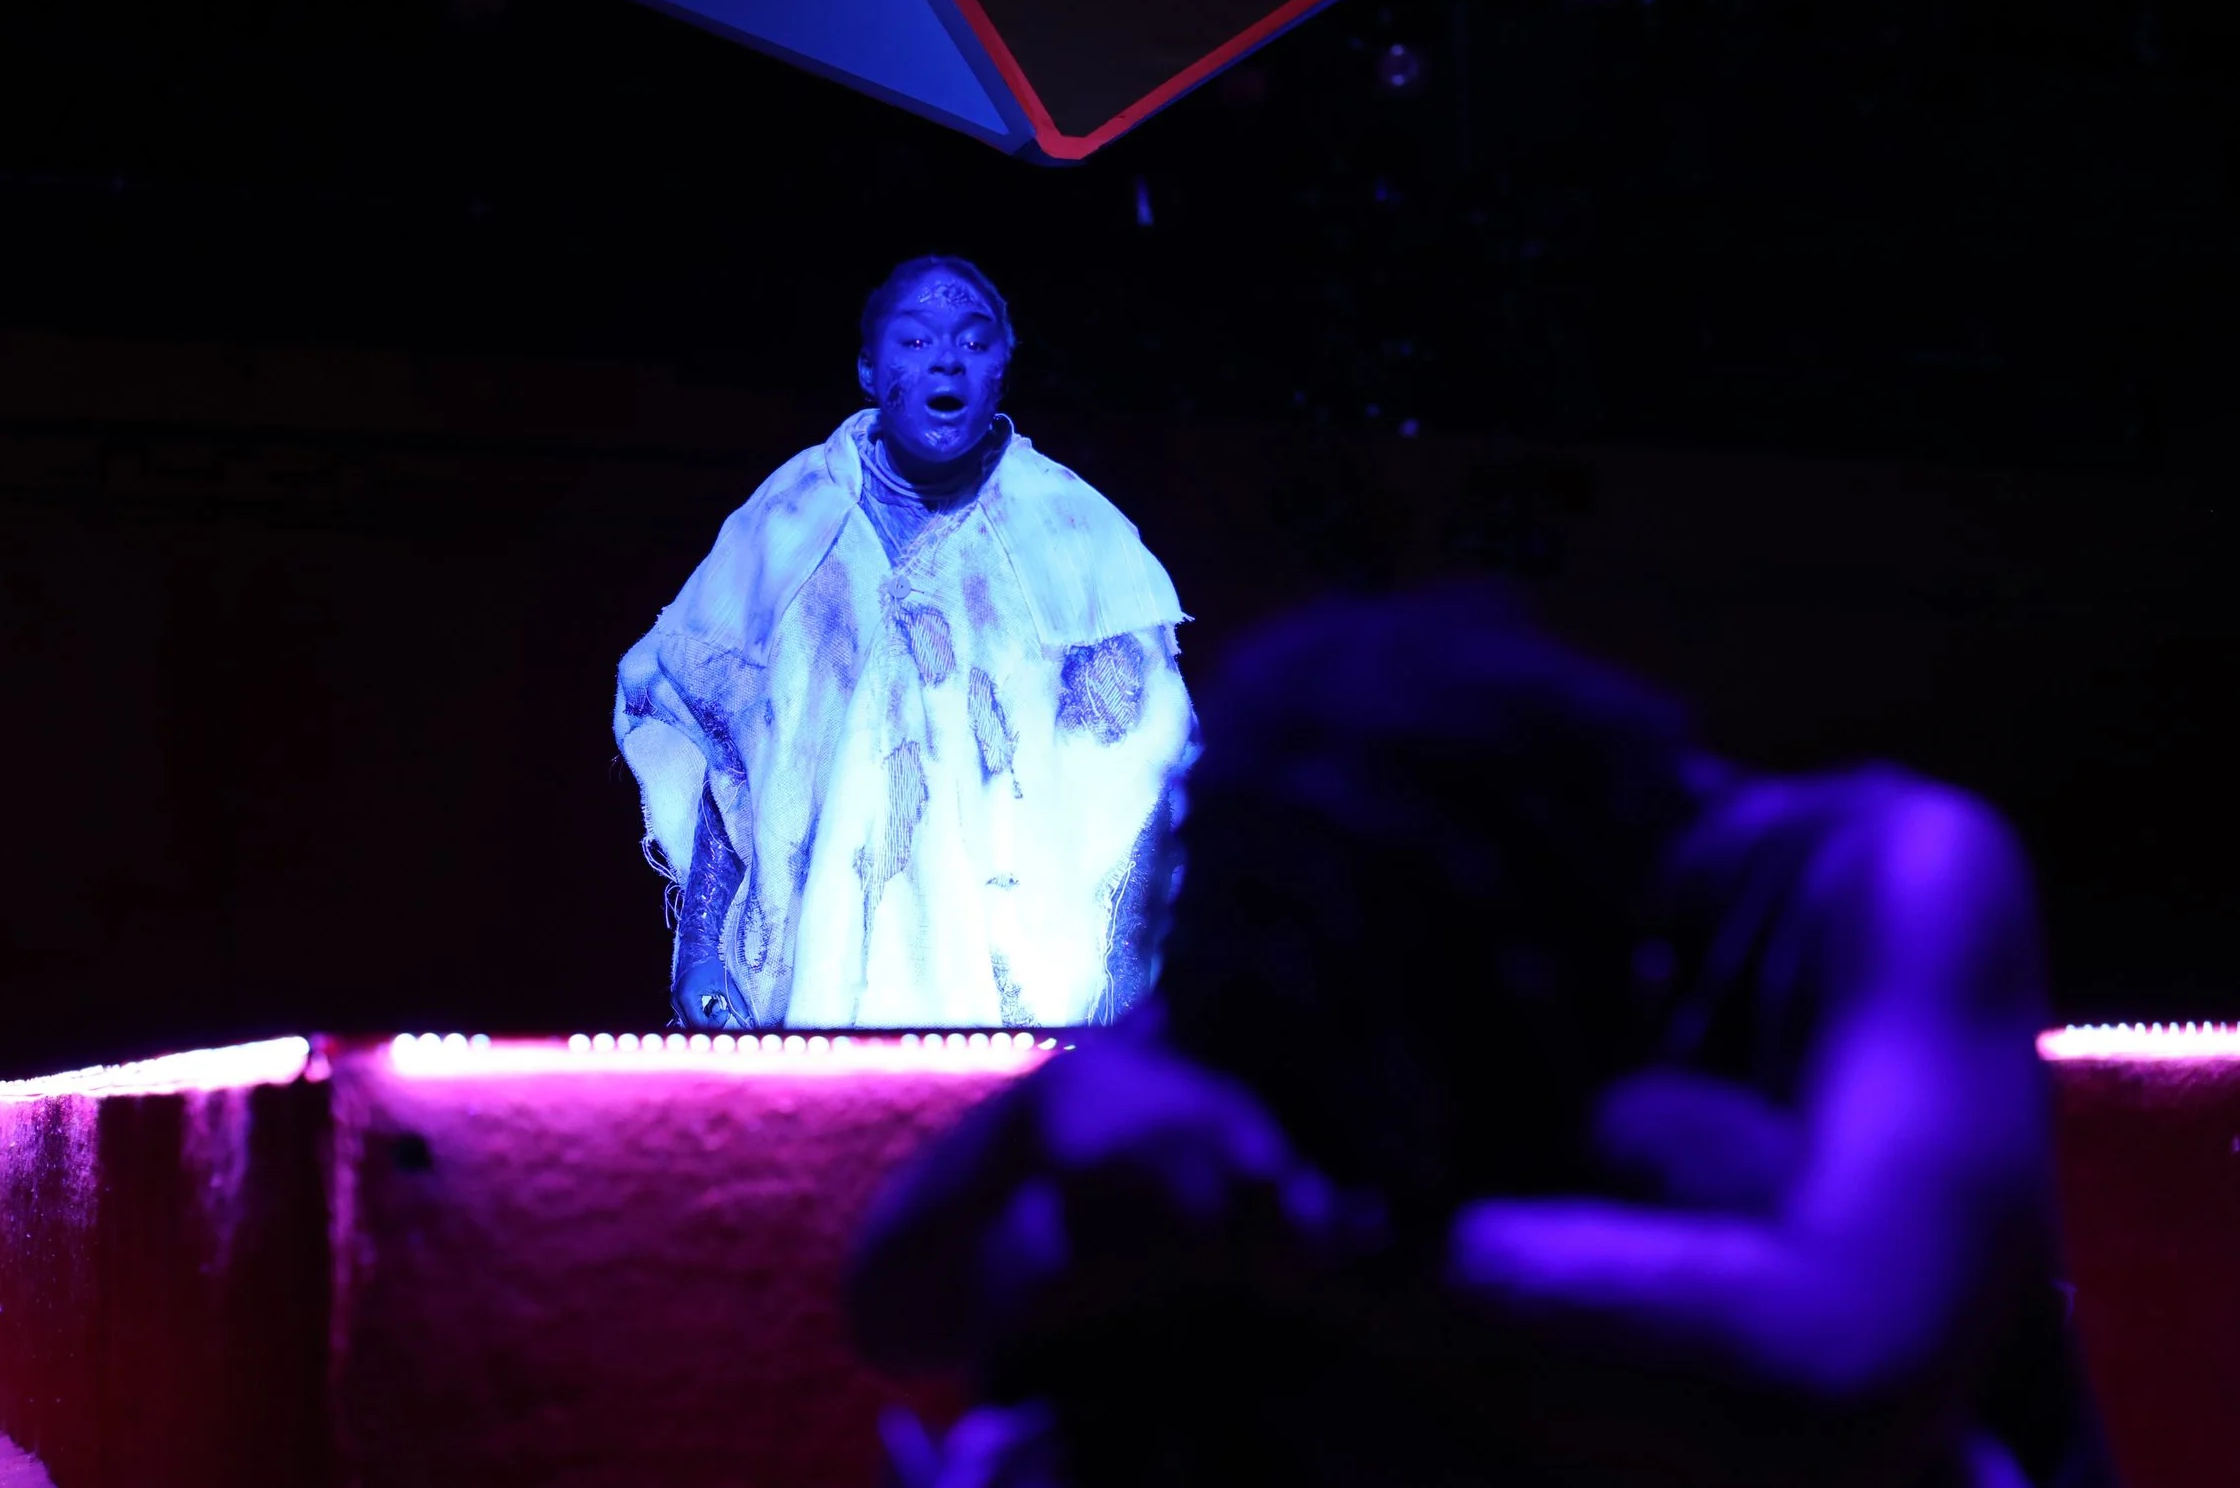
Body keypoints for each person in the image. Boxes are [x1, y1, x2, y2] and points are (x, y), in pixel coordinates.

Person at [846, 585, 2112, 1488]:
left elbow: (1854, 1356)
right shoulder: (1344, 913)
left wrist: (1302, 1241)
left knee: (1691, 1156)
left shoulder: (1877, 873)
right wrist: (1054, 1106)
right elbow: (901, 1306)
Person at [615, 257, 1194, 1031]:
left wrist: (1123, 975)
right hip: (811, 976)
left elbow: (1146, 778)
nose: (947, 359)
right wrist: (702, 946)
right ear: (868, 368)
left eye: (973, 341)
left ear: (1002, 369)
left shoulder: (1074, 535)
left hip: (1015, 985)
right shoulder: (789, 518)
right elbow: (726, 735)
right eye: (916, 341)